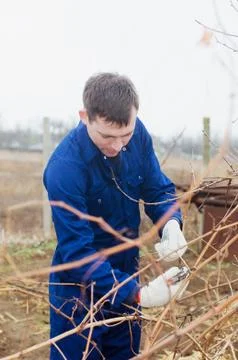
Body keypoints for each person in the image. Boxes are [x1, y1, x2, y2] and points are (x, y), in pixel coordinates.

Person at [43, 72, 188, 359]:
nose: (118, 145)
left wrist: (171, 223)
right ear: (85, 116)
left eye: (126, 135)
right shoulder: (65, 169)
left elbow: (156, 187)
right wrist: (137, 294)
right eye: (107, 136)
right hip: (78, 289)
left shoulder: (137, 134)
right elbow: (77, 253)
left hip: (126, 268)